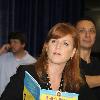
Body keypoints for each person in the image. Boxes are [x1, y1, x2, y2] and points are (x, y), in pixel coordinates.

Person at [0, 23, 97, 100]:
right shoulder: (26, 74)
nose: (58, 47)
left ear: (73, 52)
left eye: (65, 43)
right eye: (54, 41)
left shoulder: (77, 81)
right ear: (47, 47)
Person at [0, 32, 37, 96]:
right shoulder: (3, 57)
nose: (12, 45)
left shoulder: (32, 62)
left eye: (15, 42)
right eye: (11, 42)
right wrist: (1, 51)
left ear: (23, 45)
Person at [75, 17, 100, 100]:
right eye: (82, 31)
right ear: (74, 35)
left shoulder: (98, 63)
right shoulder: (67, 61)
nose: (88, 35)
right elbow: (77, 83)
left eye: (92, 31)